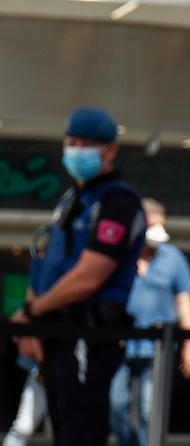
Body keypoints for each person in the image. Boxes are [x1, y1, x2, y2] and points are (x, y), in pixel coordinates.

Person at [11, 107, 146, 446]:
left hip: (88, 332)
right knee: (64, 429)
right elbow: (46, 262)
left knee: (80, 432)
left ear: (110, 150)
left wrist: (32, 312)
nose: (75, 150)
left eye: (85, 144)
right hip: (57, 332)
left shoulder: (118, 201)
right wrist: (33, 321)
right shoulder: (73, 199)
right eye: (71, 141)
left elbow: (89, 276)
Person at [109, 199, 190, 446]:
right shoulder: (120, 255)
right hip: (120, 346)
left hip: (157, 350)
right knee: (116, 406)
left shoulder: (173, 258)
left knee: (150, 409)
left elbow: (185, 305)